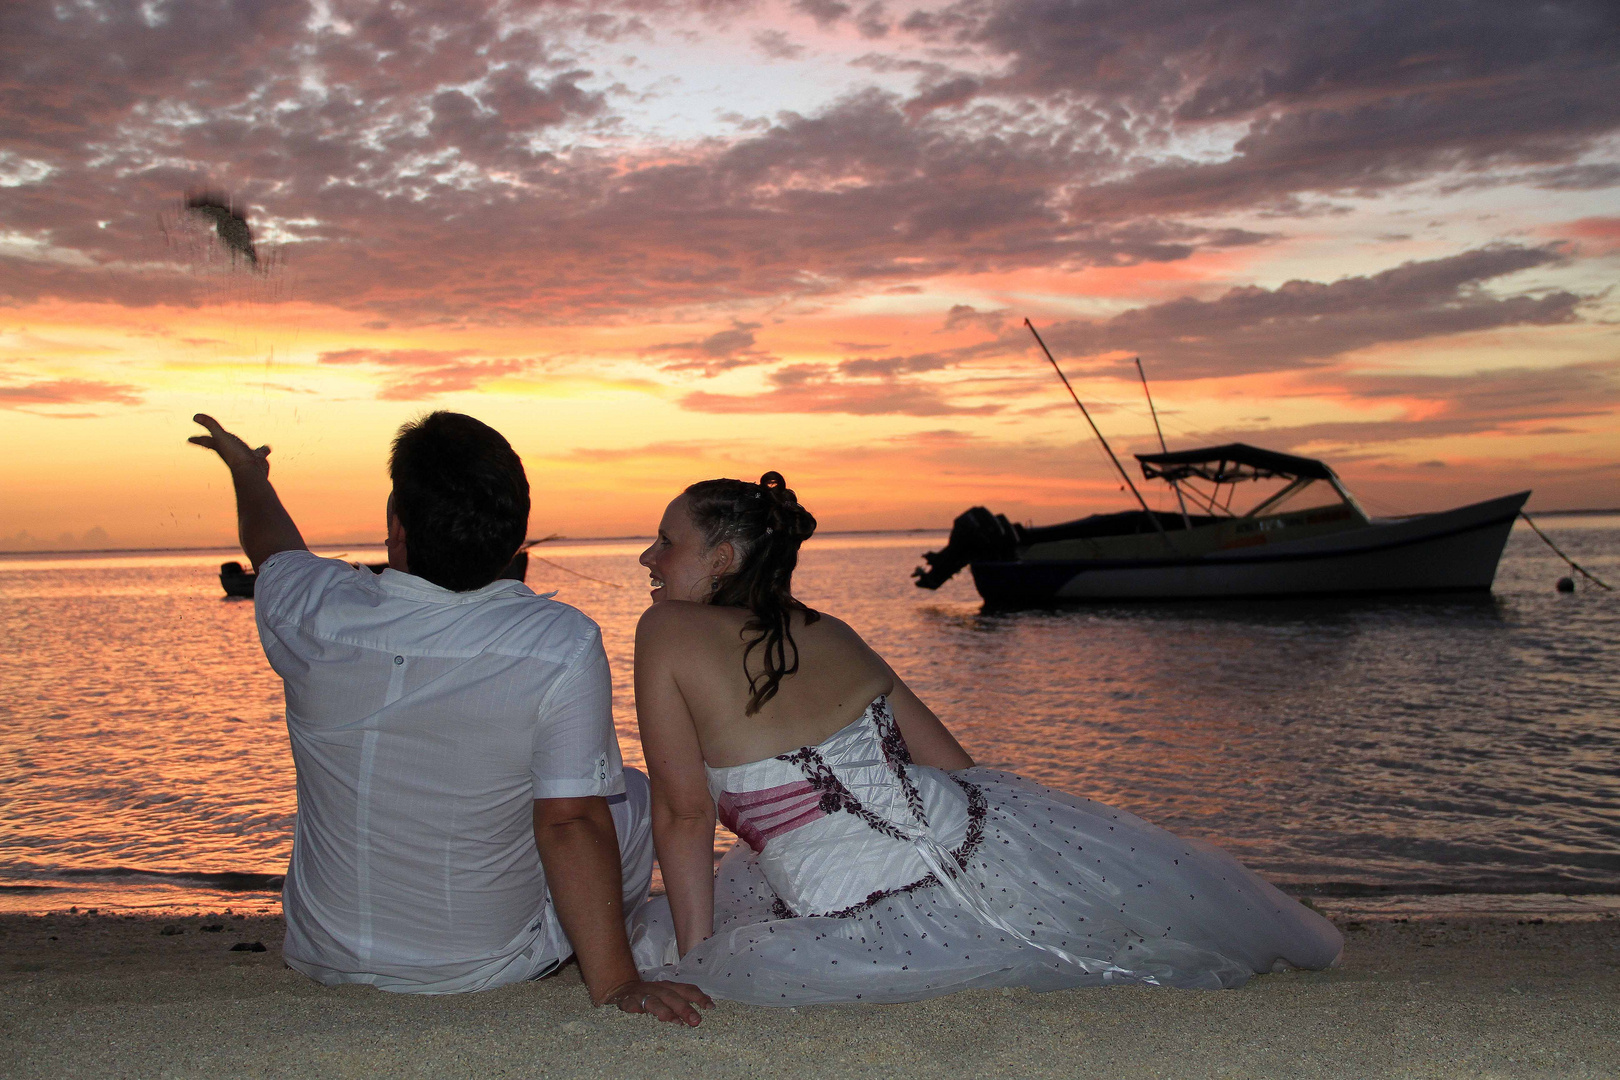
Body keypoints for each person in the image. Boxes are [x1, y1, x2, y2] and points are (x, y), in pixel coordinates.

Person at [632, 472, 1343, 1004]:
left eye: (667, 541)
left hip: (850, 912)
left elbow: (683, 813)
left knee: (665, 934)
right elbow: (955, 766)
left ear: (723, 557)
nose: (648, 558)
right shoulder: (834, 632)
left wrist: (700, 963)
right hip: (986, 849)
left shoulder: (664, 630)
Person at [188, 412, 711, 1023]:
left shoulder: (316, 612)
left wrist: (248, 473)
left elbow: (272, 548)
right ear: (516, 534)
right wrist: (618, 986)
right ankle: (608, 955)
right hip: (484, 965)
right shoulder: (556, 642)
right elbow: (568, 821)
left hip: (323, 954)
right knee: (626, 797)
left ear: (396, 526)